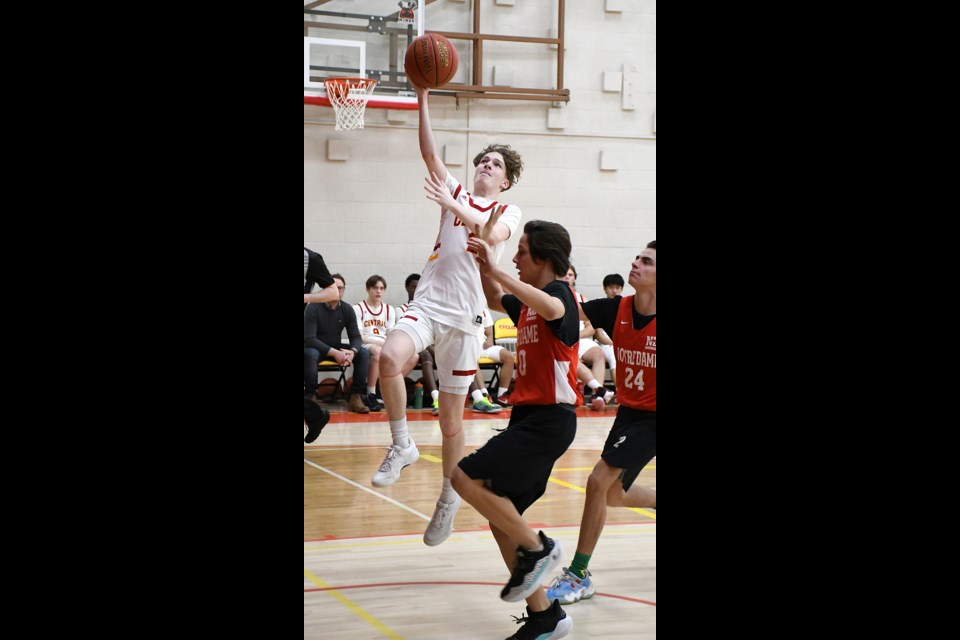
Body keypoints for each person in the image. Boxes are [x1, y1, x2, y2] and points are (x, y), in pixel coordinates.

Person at [373, 81, 524, 550]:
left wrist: (454, 206)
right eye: (483, 160)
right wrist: (421, 97)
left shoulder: (507, 208)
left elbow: (493, 234)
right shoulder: (456, 188)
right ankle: (401, 444)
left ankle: (447, 499)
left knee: (451, 422)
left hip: (466, 318)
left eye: (495, 165)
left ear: (505, 181)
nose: (486, 165)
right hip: (429, 303)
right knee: (387, 360)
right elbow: (429, 154)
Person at [453, 219, 580, 640]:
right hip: (528, 418)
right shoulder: (526, 304)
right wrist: (480, 261)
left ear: (543, 257)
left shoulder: (559, 293)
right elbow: (495, 294)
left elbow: (555, 310)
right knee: (500, 515)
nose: (517, 257)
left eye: (522, 251)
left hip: (550, 420)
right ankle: (546, 616)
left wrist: (498, 268)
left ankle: (539, 548)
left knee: (462, 475)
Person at [546, 241, 657, 606]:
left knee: (597, 480)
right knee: (613, 493)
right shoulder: (617, 308)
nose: (636, 263)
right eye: (637, 257)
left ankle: (578, 574)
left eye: (646, 261)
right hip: (629, 412)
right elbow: (563, 311)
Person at [304, 274, 378, 414]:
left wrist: (353, 352)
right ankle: (310, 396)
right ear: (327, 289)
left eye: (341, 288)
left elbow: (356, 336)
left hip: (336, 349)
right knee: (310, 353)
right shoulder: (313, 307)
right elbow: (309, 339)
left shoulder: (347, 309)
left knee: (362, 352)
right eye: (334, 288)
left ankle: (356, 396)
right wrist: (335, 352)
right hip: (317, 350)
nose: (338, 291)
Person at [303, 248, 337, 442]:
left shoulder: (310, 258)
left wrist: (306, 297)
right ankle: (316, 416)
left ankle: (316, 416)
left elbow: (333, 292)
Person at [397, 273, 439, 410]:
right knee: (427, 354)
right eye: (414, 286)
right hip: (409, 345)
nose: (417, 290)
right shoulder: (400, 310)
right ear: (407, 288)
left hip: (428, 344)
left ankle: (477, 395)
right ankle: (436, 398)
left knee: (451, 354)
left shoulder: (429, 310)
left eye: (419, 286)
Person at [354, 275, 396, 408]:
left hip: (384, 343)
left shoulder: (389, 310)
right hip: (366, 343)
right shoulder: (358, 308)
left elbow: (391, 335)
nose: (379, 291)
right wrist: (382, 344)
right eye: (375, 288)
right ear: (368, 289)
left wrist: (388, 345)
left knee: (413, 357)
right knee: (377, 351)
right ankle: (371, 393)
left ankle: (384, 390)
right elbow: (360, 337)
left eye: (382, 288)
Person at [593, 273, 626, 378]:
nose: (614, 291)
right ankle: (619, 391)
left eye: (617, 287)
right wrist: (614, 343)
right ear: (605, 289)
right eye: (611, 287)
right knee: (614, 354)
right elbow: (598, 334)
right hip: (606, 344)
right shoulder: (599, 307)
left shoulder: (627, 307)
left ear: (621, 289)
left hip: (622, 344)